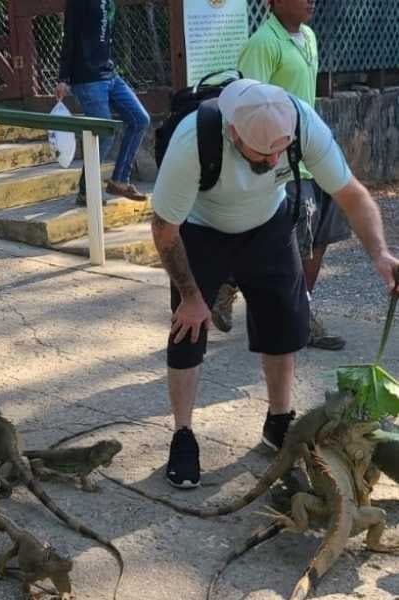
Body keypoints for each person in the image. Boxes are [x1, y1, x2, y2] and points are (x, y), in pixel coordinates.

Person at [151, 79, 399, 489]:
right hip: (200, 228)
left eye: (279, 151)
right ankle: (183, 434)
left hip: (268, 223)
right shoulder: (194, 138)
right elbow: (163, 229)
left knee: (284, 325)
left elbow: (352, 195)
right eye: (261, 154)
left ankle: (279, 421)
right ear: (233, 133)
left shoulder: (303, 125)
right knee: (187, 329)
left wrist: (380, 254)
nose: (273, 161)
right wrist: (192, 297)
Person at [211, 0, 349, 351]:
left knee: (320, 238)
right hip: (281, 163)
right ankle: (233, 287)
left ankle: (300, 311)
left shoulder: (309, 37)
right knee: (287, 246)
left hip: (312, 154)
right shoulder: (263, 43)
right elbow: (245, 107)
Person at [56, 0, 151, 204]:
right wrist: (63, 78)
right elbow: (69, 35)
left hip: (109, 73)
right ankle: (86, 192)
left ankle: (119, 181)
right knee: (104, 132)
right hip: (87, 78)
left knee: (140, 120)